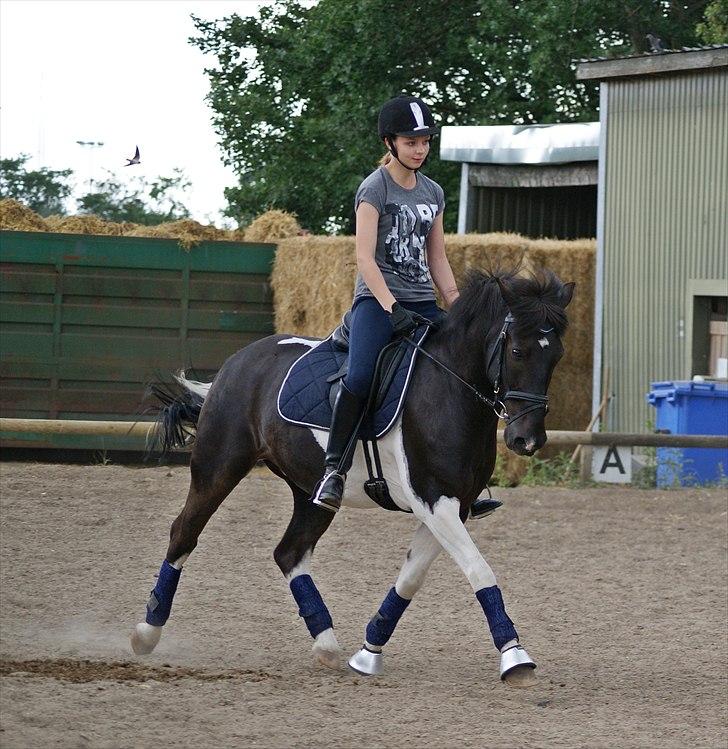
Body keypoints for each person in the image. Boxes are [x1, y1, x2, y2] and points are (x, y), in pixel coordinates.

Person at [311, 94, 460, 513]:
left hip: (423, 303)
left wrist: (457, 304)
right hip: (378, 303)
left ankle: (463, 475)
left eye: (425, 140)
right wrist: (390, 306)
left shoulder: (434, 191)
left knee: (465, 367)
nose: (420, 149)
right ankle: (333, 470)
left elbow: (438, 257)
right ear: (390, 142)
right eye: (411, 141)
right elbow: (363, 257)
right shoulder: (374, 187)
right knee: (359, 376)